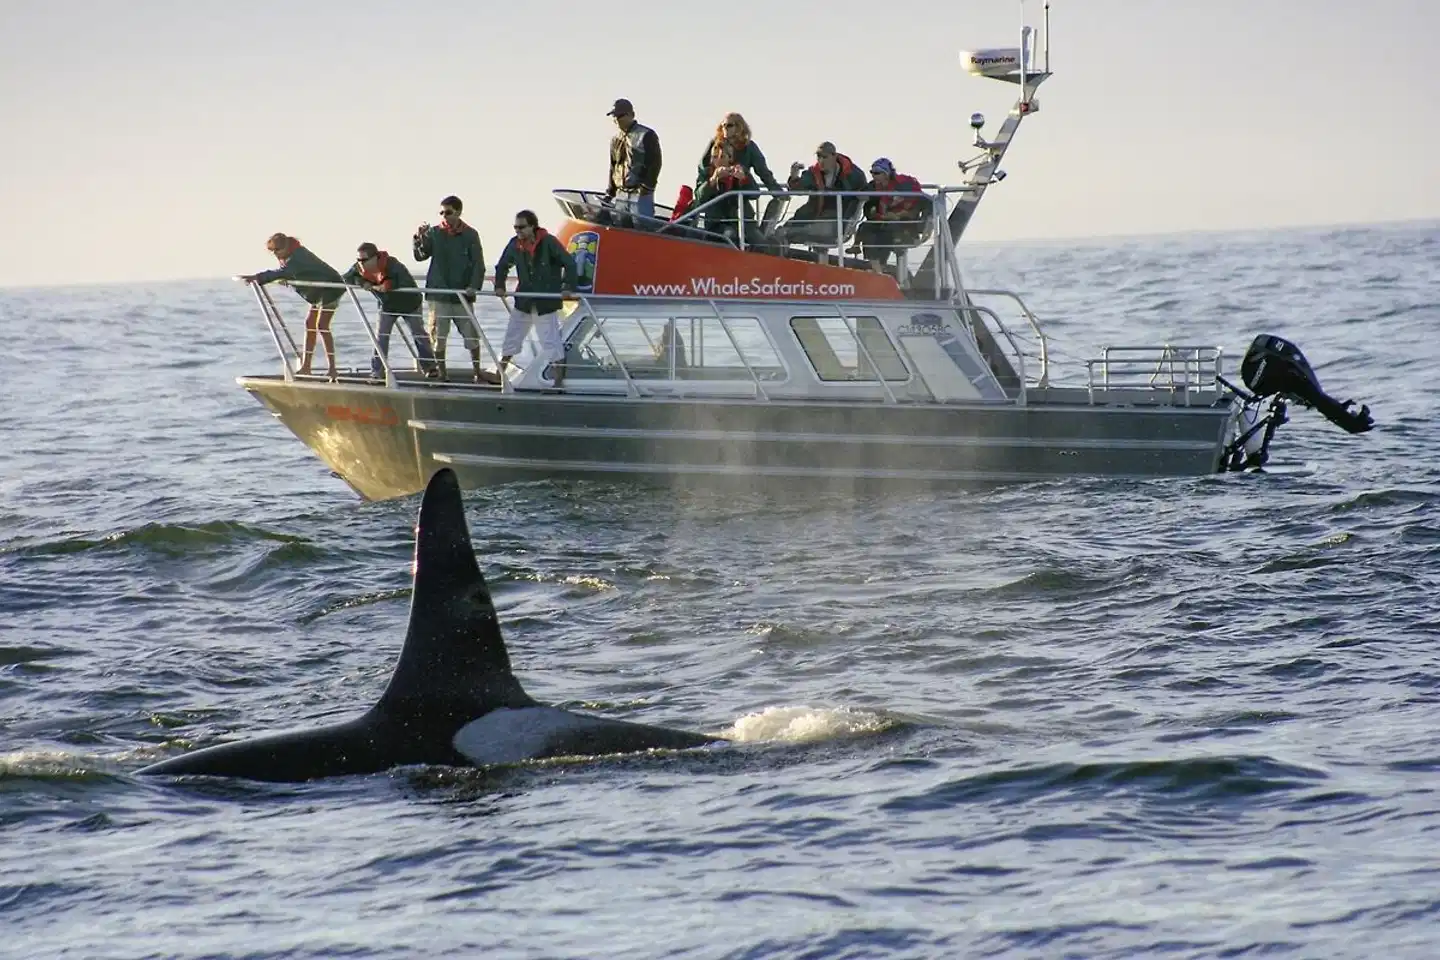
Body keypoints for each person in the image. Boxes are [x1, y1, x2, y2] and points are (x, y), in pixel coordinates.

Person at [493, 209, 578, 388]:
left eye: (521, 227)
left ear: (532, 226)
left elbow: (569, 262)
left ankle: (558, 381)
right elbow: (502, 265)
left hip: (544, 301)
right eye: (515, 227)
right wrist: (499, 285)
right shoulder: (515, 244)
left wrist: (567, 287)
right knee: (512, 337)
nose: (518, 231)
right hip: (524, 300)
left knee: (550, 340)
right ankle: (499, 374)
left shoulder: (549, 242)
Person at [244, 233, 345, 379]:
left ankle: (332, 369)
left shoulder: (298, 256)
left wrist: (257, 277)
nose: (275, 254)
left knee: (322, 325)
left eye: (277, 250)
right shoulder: (287, 256)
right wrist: (286, 277)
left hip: (331, 288)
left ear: (285, 247)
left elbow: (288, 271)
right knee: (310, 323)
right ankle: (306, 367)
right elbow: (289, 273)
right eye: (272, 251)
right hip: (318, 291)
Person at [413, 195, 487, 382]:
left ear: (458, 212)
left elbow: (478, 264)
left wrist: (473, 287)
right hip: (439, 294)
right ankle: (442, 373)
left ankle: (477, 371)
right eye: (441, 213)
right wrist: (419, 239)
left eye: (448, 212)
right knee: (438, 336)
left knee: (471, 335)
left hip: (462, 295)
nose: (444, 216)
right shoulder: (434, 233)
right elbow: (421, 256)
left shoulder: (471, 234)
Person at [342, 242, 438, 380]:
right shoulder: (359, 268)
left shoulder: (393, 264)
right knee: (381, 337)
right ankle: (377, 371)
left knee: (419, 334)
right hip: (387, 306)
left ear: (375, 257)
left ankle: (430, 367)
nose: (361, 263)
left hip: (409, 304)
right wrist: (363, 282)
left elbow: (404, 281)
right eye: (359, 260)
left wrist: (388, 285)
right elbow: (347, 277)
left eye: (364, 260)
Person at [692, 111, 781, 242]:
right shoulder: (715, 145)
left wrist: (777, 192)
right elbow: (702, 175)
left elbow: (763, 174)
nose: (725, 129)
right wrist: (713, 179)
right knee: (730, 235)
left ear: (739, 127)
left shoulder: (749, 148)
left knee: (761, 242)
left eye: (729, 125)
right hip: (719, 218)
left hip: (742, 214)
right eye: (723, 126)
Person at [781, 141, 868, 253]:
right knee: (783, 231)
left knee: (794, 232)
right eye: (819, 157)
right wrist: (794, 177)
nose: (821, 161)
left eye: (825, 157)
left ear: (834, 156)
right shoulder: (813, 172)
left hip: (838, 220)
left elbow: (866, 191)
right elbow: (798, 188)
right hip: (814, 215)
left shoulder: (853, 174)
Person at [856, 158, 930, 275]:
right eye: (872, 173)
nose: (874, 176)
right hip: (885, 221)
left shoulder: (904, 184)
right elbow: (861, 195)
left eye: (877, 173)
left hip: (905, 225)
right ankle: (877, 269)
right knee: (867, 228)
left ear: (886, 174)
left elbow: (915, 205)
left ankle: (881, 268)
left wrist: (897, 215)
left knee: (887, 232)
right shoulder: (875, 186)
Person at [604, 98, 662, 220]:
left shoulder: (646, 135)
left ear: (631, 115)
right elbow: (613, 166)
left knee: (642, 228)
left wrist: (647, 187)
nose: (616, 119)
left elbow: (655, 163)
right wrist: (610, 192)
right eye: (614, 116)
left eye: (620, 115)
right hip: (621, 194)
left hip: (640, 194)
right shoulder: (615, 139)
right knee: (621, 228)